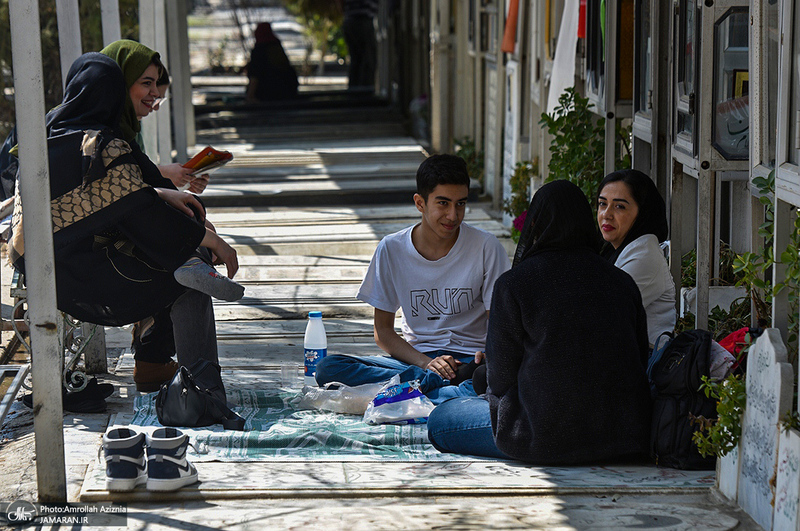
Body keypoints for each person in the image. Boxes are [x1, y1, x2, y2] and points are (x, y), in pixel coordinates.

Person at [8, 53, 239, 384]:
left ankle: (159, 365)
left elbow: (121, 199)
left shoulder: (41, 137)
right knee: (186, 275)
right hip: (88, 275)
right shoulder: (101, 144)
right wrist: (211, 240)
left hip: (41, 271)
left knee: (181, 252)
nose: (152, 93)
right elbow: (142, 213)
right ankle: (200, 386)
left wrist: (173, 209)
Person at [427, 180, 653, 462]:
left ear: (534, 224)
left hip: (544, 436)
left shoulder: (515, 284)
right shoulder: (622, 282)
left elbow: (500, 379)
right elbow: (638, 359)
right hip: (622, 436)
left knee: (442, 419)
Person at [314, 154, 510, 401]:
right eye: (443, 203)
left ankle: (409, 393)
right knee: (328, 368)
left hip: (470, 362)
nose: (453, 215)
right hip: (416, 361)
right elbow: (383, 331)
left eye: (460, 204)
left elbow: (502, 324)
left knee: (491, 376)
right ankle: (438, 390)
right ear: (420, 203)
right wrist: (427, 364)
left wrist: (488, 354)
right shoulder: (391, 248)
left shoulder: (486, 246)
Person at [100, 39, 209, 194]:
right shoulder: (93, 133)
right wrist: (163, 175)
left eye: (160, 98)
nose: (155, 94)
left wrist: (176, 183)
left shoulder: (130, 130)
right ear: (122, 82)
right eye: (147, 83)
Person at [597, 169, 676, 345]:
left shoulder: (644, 257)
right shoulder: (615, 249)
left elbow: (601, 315)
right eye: (602, 204)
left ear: (643, 212)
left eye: (619, 206)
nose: (606, 214)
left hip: (646, 358)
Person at [245, 22, 299, 102]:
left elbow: (255, 75)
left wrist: (250, 96)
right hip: (287, 92)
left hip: (267, 94)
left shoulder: (259, 51)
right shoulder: (277, 47)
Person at [341, 0, 378, 90]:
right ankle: (364, 92)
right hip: (362, 18)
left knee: (357, 60)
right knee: (368, 60)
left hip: (351, 18)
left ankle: (355, 91)